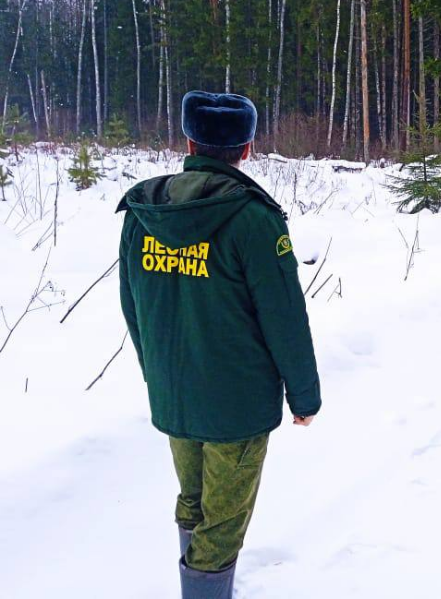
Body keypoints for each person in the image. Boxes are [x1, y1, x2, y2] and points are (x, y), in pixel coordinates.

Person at [117, 91, 321, 597]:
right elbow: (284, 317)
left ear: (189, 141)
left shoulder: (144, 212)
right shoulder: (253, 219)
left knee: (194, 499)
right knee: (222, 522)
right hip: (236, 404)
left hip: (175, 392)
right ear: (247, 149)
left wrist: (156, 371)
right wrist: (305, 395)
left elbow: (133, 307)